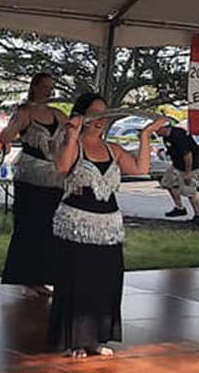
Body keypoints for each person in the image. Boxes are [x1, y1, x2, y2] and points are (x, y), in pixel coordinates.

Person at [48, 92, 164, 358]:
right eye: (95, 113)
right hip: (77, 225)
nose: (100, 119)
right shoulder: (72, 145)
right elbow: (63, 166)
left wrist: (145, 136)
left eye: (104, 113)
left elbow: (140, 168)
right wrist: (73, 134)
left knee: (105, 279)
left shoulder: (114, 149)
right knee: (77, 280)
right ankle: (74, 340)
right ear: (84, 116)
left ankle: (96, 337)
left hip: (108, 226)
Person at [0, 72, 67, 297]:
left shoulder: (58, 114)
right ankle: (26, 277)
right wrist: (16, 122)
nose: (49, 91)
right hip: (31, 177)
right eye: (46, 86)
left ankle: (43, 277)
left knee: (50, 227)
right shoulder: (25, 112)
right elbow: (5, 137)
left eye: (52, 87)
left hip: (54, 176)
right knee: (30, 227)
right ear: (35, 87)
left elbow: (73, 134)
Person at [156, 122, 199, 225]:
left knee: (189, 190)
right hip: (177, 165)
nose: (155, 131)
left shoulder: (178, 136)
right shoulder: (166, 137)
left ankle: (198, 216)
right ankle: (179, 208)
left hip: (191, 166)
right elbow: (172, 150)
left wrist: (188, 173)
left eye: (156, 129)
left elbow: (188, 156)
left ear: (165, 128)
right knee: (167, 182)